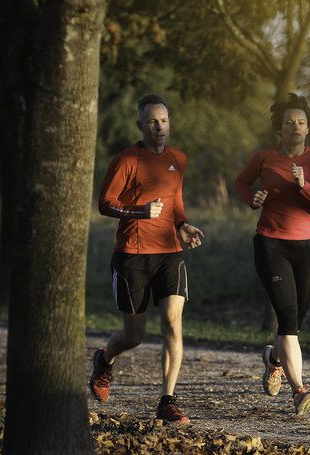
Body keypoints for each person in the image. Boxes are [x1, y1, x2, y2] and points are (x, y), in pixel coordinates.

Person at [89, 93, 204, 424]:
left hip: (170, 254)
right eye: (152, 121)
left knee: (172, 323)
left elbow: (175, 200)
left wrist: (182, 225)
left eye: (164, 120)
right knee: (134, 336)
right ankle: (104, 360)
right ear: (140, 125)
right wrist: (139, 212)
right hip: (132, 257)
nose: (160, 127)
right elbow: (105, 203)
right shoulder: (126, 160)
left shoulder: (178, 159)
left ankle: (167, 400)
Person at [234, 93, 310, 416]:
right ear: (279, 128)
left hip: (308, 246)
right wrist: (253, 198)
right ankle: (300, 390)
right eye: (289, 122)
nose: (295, 126)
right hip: (271, 244)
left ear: (309, 129)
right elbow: (241, 183)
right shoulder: (264, 158)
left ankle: (274, 359)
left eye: (301, 122)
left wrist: (305, 186)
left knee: (295, 319)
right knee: (289, 316)